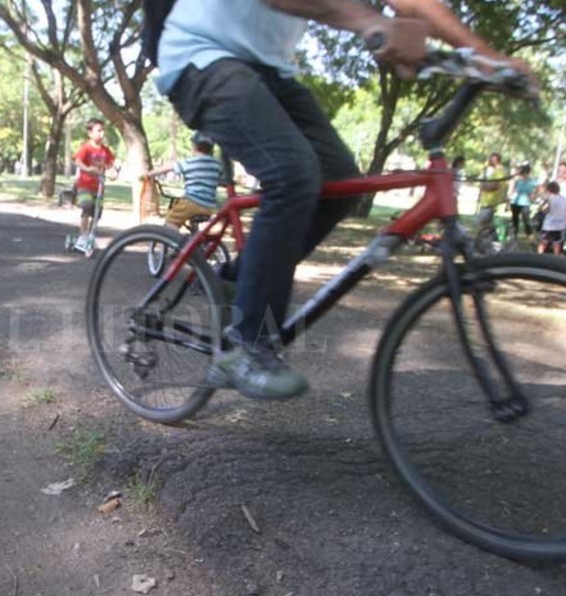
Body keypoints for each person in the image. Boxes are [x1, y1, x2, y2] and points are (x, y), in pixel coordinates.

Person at [155, 0, 531, 400]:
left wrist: (488, 58)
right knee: (292, 173)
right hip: (201, 56)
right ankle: (246, 345)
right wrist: (370, 22)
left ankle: (238, 280)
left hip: (270, 71)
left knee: (340, 184)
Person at [143, 131, 222, 231]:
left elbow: (169, 167)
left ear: (194, 146)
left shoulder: (189, 162)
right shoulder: (216, 165)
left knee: (171, 221)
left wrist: (150, 174)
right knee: (194, 227)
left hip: (191, 202)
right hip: (209, 206)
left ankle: (172, 240)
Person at [71, 118, 116, 251]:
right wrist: (87, 169)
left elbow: (111, 165)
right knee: (87, 206)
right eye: (98, 131)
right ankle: (83, 236)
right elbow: (78, 161)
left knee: (97, 212)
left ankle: (91, 235)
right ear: (90, 133)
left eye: (103, 131)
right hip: (85, 184)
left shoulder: (105, 150)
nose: (101, 134)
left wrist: (113, 173)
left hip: (99, 186)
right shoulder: (86, 147)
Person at [537, 181, 566, 256]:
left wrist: (541, 208)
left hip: (549, 225)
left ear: (549, 190)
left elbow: (546, 210)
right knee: (556, 243)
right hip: (560, 225)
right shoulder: (565, 200)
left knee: (544, 242)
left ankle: (538, 257)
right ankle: (556, 258)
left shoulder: (550, 198)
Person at [476, 152, 507, 236]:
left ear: (498, 160)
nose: (491, 160)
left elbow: (497, 185)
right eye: (491, 158)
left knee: (482, 220)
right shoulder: (487, 169)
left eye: (494, 159)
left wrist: (485, 187)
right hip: (485, 199)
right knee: (485, 221)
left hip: (492, 200)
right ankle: (488, 237)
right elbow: (481, 183)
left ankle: (495, 235)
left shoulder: (499, 169)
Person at [507, 163, 539, 239]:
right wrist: (508, 200)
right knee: (515, 219)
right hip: (515, 202)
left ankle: (529, 235)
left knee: (526, 220)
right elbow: (511, 190)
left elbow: (536, 191)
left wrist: (533, 197)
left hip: (525, 203)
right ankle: (514, 235)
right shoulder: (517, 181)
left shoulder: (532, 181)